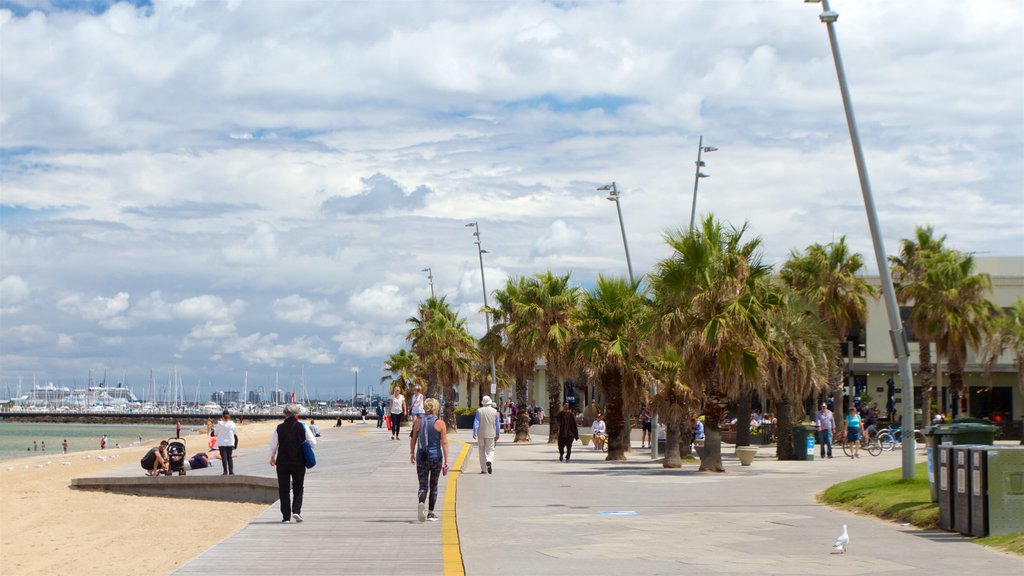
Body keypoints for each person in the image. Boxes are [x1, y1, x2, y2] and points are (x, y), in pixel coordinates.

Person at [269, 404, 316, 523]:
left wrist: (272, 457)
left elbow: (273, 445)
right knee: (298, 487)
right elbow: (313, 443)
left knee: (284, 489)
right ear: (297, 414)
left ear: (285, 414)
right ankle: (296, 511)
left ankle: (286, 517)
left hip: (283, 462)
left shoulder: (279, 427)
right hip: (299, 462)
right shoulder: (303, 426)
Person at [410, 398, 449, 522]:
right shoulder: (440, 423)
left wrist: (412, 453)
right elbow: (444, 443)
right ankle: (431, 513)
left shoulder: (418, 422)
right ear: (436, 408)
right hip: (436, 457)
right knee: (434, 485)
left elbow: (413, 440)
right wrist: (446, 461)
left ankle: (421, 502)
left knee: (423, 485)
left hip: (421, 456)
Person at [473, 396, 501, 474]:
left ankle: (484, 469)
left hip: (481, 434)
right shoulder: (495, 411)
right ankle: (489, 460)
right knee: (490, 450)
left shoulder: (479, 411)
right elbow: (497, 424)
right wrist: (498, 433)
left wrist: (474, 432)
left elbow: (476, 422)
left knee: (481, 451)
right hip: (491, 434)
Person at [215, 409, 238, 475]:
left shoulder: (219, 423)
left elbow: (216, 433)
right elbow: (234, 432)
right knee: (229, 457)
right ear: (229, 416)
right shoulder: (232, 423)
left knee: (224, 457)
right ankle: (231, 471)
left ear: (222, 416)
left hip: (222, 443)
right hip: (230, 442)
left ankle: (225, 471)